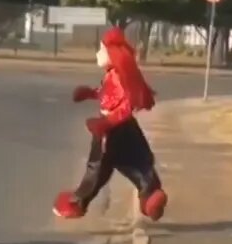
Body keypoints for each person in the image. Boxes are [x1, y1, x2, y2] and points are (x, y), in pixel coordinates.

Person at [53, 27, 168, 221]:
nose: (97, 54)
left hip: (110, 130)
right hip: (127, 129)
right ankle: (150, 196)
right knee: (139, 162)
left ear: (112, 54)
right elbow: (107, 94)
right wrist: (90, 93)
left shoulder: (117, 76)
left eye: (101, 50)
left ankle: (76, 203)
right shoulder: (113, 74)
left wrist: (105, 123)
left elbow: (125, 106)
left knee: (97, 168)